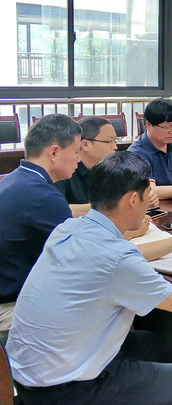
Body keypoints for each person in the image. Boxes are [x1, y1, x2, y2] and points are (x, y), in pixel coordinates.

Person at [6, 151, 172, 405]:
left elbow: (119, 258)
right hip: (64, 390)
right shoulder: (117, 259)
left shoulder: (69, 228)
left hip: (26, 374)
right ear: (133, 199)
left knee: (158, 342)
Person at [0, 114, 80, 332]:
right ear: (54, 152)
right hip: (9, 309)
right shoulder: (43, 195)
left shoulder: (16, 178)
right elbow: (82, 256)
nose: (78, 159)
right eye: (75, 151)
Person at [56, 115, 158, 217]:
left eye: (115, 140)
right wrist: (108, 207)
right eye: (109, 141)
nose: (115, 147)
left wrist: (145, 196)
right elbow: (58, 209)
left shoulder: (110, 168)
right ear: (85, 145)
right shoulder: (63, 170)